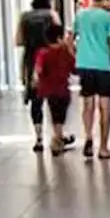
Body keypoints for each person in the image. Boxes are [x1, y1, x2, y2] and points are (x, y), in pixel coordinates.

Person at [73, 0, 110, 160]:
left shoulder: (80, 15)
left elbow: (69, 39)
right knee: (104, 107)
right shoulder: (108, 18)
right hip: (103, 65)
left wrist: (77, 57)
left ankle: (88, 137)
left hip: (84, 65)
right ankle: (103, 147)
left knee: (88, 104)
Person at [16, 0, 66, 152]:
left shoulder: (25, 17)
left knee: (35, 102)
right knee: (55, 100)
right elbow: (60, 37)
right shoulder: (52, 15)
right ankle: (57, 136)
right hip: (51, 60)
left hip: (31, 60)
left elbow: (18, 41)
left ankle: (38, 138)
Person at [32, 24, 76, 155]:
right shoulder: (64, 51)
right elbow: (74, 68)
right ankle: (57, 140)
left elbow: (38, 69)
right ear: (58, 38)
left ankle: (59, 137)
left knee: (54, 114)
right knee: (60, 115)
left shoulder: (43, 52)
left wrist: (36, 80)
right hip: (63, 89)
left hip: (48, 89)